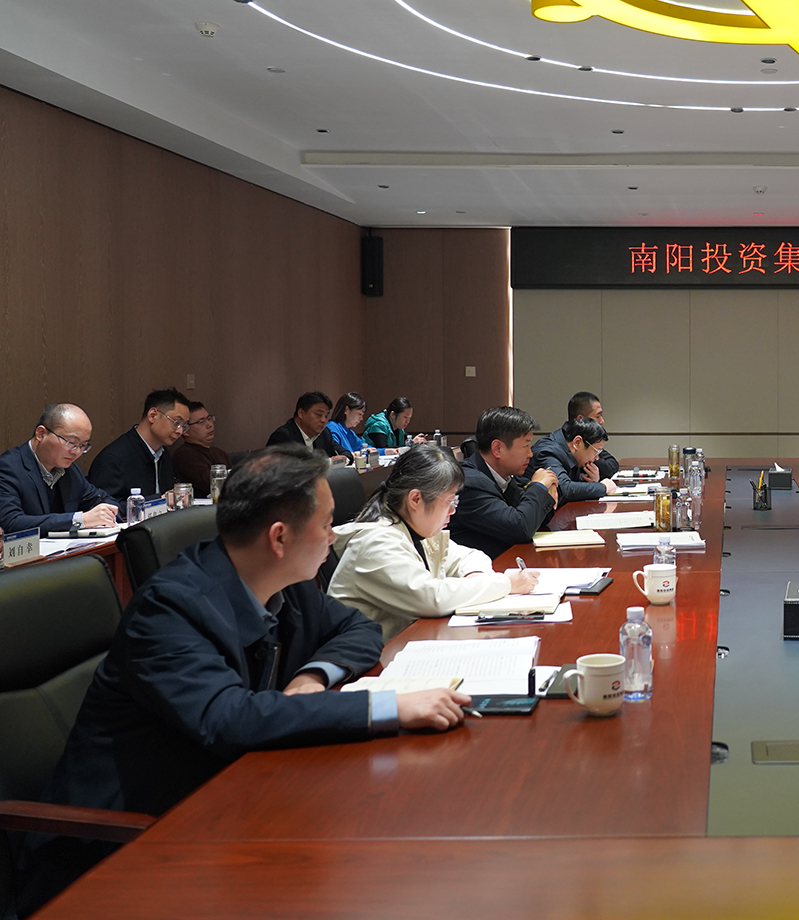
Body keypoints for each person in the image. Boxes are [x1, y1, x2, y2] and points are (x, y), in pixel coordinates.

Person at [15, 445, 469, 915]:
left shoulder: (283, 582)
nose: (333, 536)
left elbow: (359, 629)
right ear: (280, 537)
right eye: (326, 523)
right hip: (116, 849)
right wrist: (390, 706)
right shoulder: (169, 609)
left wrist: (312, 677)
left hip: (231, 799)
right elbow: (228, 718)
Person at [329, 445, 539, 638]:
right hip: (372, 659)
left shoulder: (416, 527)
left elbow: (470, 555)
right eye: (450, 501)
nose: (453, 510)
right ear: (416, 499)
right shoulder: (376, 542)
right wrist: (505, 584)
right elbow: (432, 597)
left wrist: (476, 576)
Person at [448, 407, 558, 558]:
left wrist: (547, 488)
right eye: (526, 446)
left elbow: (534, 517)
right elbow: (520, 528)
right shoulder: (470, 482)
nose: (530, 454)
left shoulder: (501, 475)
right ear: (498, 449)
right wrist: (539, 487)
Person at [0, 404, 117, 532]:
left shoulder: (70, 470)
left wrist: (107, 512)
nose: (76, 452)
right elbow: (10, 522)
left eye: (83, 445)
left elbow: (101, 500)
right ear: (41, 434)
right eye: (71, 442)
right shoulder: (8, 468)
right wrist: (79, 520)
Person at [87, 388, 192, 500]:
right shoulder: (113, 458)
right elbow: (104, 506)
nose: (180, 431)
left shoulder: (163, 454)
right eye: (176, 422)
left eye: (184, 426)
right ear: (152, 415)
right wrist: (160, 500)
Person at [527, 417, 618, 503]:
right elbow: (565, 489)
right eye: (596, 451)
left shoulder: (573, 452)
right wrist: (603, 487)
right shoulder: (547, 453)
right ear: (577, 443)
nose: (596, 458)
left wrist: (591, 482)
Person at [266, 391, 351, 461]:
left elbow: (346, 454)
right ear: (301, 413)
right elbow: (288, 469)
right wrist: (327, 463)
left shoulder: (325, 433)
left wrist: (343, 459)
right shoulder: (282, 437)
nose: (323, 420)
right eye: (318, 415)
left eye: (326, 416)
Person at [171, 401, 231, 498]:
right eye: (201, 422)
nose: (209, 425)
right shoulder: (184, 455)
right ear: (185, 430)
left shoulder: (220, 453)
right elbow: (210, 483)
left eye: (209, 419)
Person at [566, 391, 620, 480]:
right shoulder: (559, 445)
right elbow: (565, 486)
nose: (602, 421)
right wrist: (599, 486)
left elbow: (612, 465)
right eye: (598, 416)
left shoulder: (590, 439)